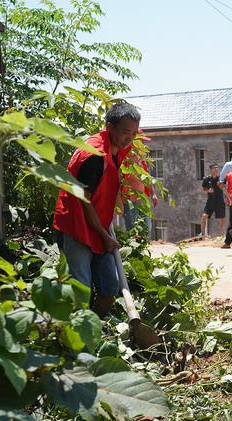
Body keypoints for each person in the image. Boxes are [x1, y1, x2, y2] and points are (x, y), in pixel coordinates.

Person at [53, 102, 140, 319]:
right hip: (75, 224)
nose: (130, 138)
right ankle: (76, 343)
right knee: (80, 290)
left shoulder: (115, 149)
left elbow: (105, 185)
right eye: (125, 132)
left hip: (97, 223)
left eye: (134, 133)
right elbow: (85, 201)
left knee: (109, 286)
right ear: (109, 127)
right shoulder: (93, 155)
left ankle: (98, 330)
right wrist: (105, 237)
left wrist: (114, 204)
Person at [119, 130, 159, 236]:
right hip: (129, 202)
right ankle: (133, 252)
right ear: (133, 141)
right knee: (133, 233)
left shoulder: (140, 158)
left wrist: (153, 193)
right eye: (140, 141)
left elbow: (146, 177)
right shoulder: (124, 158)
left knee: (146, 230)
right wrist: (118, 201)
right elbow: (117, 181)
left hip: (142, 200)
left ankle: (142, 251)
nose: (143, 144)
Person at [200, 163, 226, 236]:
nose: (216, 169)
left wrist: (221, 185)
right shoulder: (206, 179)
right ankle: (201, 233)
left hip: (220, 201)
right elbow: (203, 189)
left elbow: (224, 187)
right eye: (214, 168)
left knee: (221, 219)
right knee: (204, 216)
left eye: (217, 167)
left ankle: (222, 235)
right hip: (211, 201)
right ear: (211, 169)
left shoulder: (221, 178)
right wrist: (209, 191)